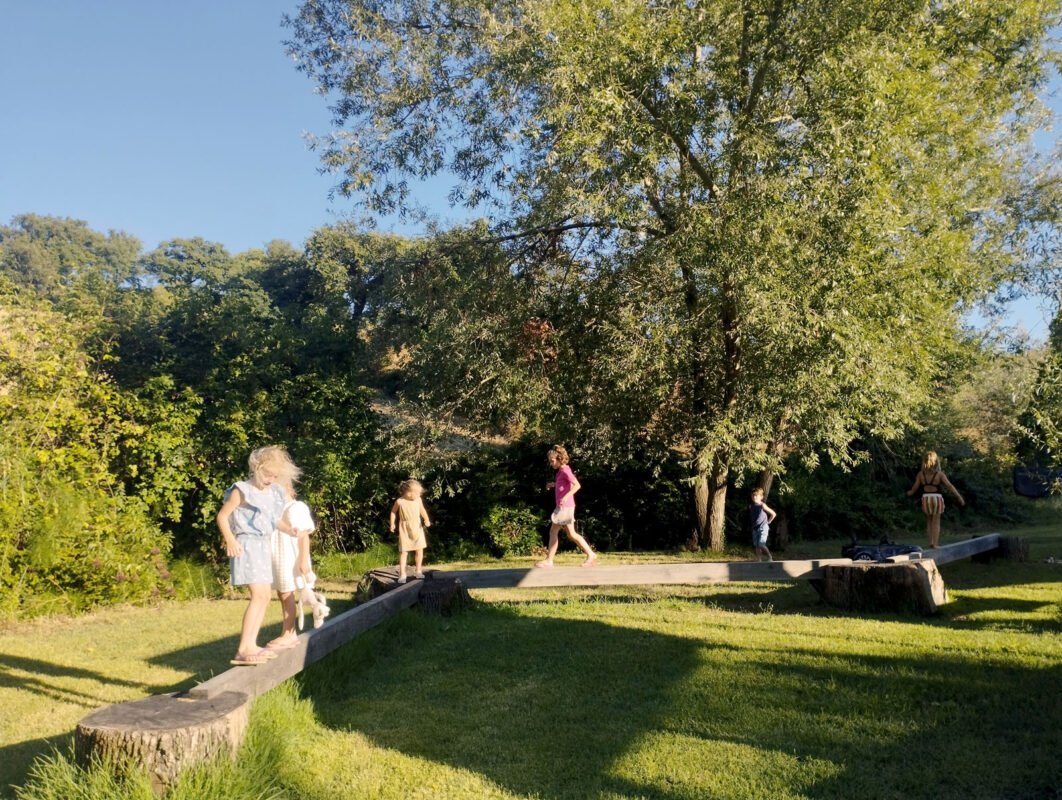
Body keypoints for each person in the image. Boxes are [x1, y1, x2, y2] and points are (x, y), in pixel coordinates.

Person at [216, 446, 298, 665]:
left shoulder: (274, 492)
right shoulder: (242, 490)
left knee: (265, 596)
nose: (271, 479)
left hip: (263, 545)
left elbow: (273, 520)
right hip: (246, 544)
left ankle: (251, 645)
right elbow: (223, 517)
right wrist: (230, 540)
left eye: (275, 476)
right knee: (258, 595)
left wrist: (288, 529)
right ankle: (244, 647)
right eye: (267, 474)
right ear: (256, 468)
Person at [266, 480, 317, 650]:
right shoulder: (276, 510)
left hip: (290, 557)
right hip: (280, 556)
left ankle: (289, 632)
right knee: (283, 593)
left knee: (287, 593)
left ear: (288, 488)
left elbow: (303, 535)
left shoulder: (294, 507)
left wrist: (303, 559)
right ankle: (288, 632)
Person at [535, 445, 597, 568]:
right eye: (550, 461)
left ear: (559, 458)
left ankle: (549, 560)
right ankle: (591, 554)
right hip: (565, 506)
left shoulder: (565, 471)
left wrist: (566, 496)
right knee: (571, 534)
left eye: (552, 461)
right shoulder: (560, 472)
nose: (551, 464)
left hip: (565, 506)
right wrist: (553, 485)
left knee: (553, 531)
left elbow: (577, 485)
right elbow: (563, 484)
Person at [907, 451, 965, 549]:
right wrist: (959, 496)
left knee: (929, 521)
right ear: (936, 461)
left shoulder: (921, 474)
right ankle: (935, 544)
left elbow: (914, 488)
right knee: (936, 522)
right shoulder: (939, 474)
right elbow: (950, 486)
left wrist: (909, 493)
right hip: (937, 498)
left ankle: (930, 542)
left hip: (926, 499)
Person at [390, 479, 431, 584]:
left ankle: (418, 571)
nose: (419, 495)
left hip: (417, 528)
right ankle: (402, 574)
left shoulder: (418, 500)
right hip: (405, 529)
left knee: (419, 549)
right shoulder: (400, 501)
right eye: (416, 493)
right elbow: (393, 512)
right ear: (408, 493)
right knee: (403, 551)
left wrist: (426, 519)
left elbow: (422, 510)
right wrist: (392, 523)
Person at [749, 487, 776, 562]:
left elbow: (773, 514)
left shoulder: (762, 505)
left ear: (761, 497)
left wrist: (768, 522)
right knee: (757, 545)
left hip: (763, 527)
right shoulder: (751, 506)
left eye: (756, 495)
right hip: (755, 528)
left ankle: (770, 557)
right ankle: (759, 559)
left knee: (761, 544)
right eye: (753, 495)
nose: (754, 497)